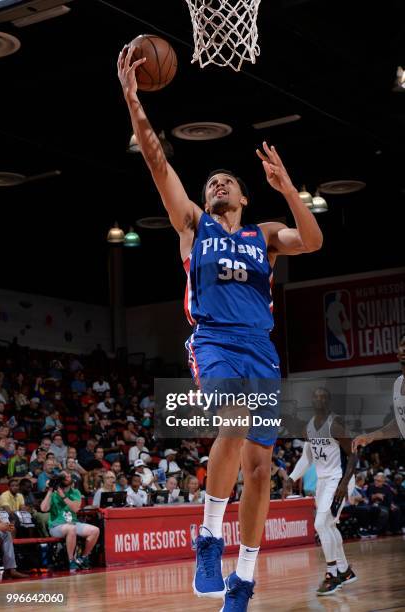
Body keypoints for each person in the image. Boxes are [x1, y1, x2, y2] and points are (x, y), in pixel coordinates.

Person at [118, 43, 323, 610]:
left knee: (260, 472)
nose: (219, 185)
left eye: (228, 180)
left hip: (262, 350)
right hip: (213, 341)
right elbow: (159, 164)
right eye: (212, 181)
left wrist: (288, 189)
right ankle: (209, 535)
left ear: (245, 194)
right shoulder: (192, 226)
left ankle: (246, 579)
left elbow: (313, 241)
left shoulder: (266, 233)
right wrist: (136, 105)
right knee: (229, 417)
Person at [283, 388, 358, 595]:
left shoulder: (335, 424)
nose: (318, 400)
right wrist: (291, 478)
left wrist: (344, 484)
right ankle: (345, 571)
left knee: (320, 524)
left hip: (339, 480)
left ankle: (332, 573)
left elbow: (353, 456)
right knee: (329, 526)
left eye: (323, 396)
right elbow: (307, 458)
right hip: (324, 482)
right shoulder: (309, 427)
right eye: (315, 397)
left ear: (329, 401)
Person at [353, 334, 405, 450]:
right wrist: (370, 436)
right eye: (403, 345)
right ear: (397, 353)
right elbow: (399, 425)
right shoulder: (398, 384)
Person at [40, 471, 100, 571]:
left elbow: (75, 509)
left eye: (68, 475)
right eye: (65, 476)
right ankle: (71, 561)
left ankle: (83, 558)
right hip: (56, 526)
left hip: (73, 522)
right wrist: (50, 490)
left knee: (95, 530)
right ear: (61, 480)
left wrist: (63, 495)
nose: (68, 476)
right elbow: (44, 509)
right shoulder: (53, 494)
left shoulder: (75, 492)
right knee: (71, 529)